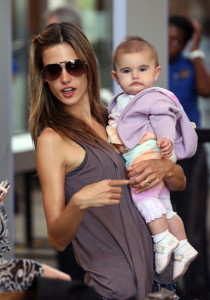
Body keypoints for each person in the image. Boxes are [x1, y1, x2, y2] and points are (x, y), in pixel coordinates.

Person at [28, 22, 186, 300]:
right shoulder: (52, 140)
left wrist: (165, 167)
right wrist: (79, 202)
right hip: (113, 290)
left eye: (73, 66)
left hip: (160, 284)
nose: (65, 78)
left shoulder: (116, 118)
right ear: (44, 78)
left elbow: (180, 182)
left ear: (88, 66)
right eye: (53, 70)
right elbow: (57, 238)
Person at [106, 36, 198, 283]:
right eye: (127, 71)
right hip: (143, 152)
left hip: (147, 152)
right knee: (165, 208)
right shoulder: (122, 101)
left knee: (142, 191)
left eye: (143, 69)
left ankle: (162, 241)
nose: (135, 76)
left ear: (156, 72)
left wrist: (166, 139)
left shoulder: (154, 96)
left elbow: (163, 118)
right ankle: (182, 246)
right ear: (116, 77)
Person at [168, 15, 210, 299]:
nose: (169, 45)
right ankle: (167, 286)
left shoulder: (187, 66)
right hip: (160, 156)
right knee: (163, 225)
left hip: (190, 156)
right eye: (165, 38)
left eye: (175, 41)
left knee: (192, 227)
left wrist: (196, 49)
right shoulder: (148, 71)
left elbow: (206, 90)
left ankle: (198, 289)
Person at [0, 180, 70, 293]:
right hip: (3, 270)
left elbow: (3, 245)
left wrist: (1, 204)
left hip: (3, 267)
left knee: (63, 280)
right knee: (61, 280)